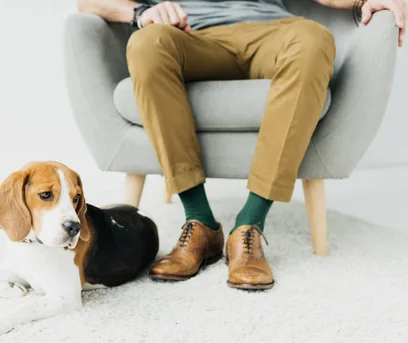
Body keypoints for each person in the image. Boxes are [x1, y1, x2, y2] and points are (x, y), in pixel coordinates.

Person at [77, 0, 406, 290]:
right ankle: (200, 222)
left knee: (314, 38)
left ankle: (249, 225)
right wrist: (141, 11)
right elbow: (88, 2)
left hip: (271, 33)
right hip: (188, 37)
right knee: (146, 44)